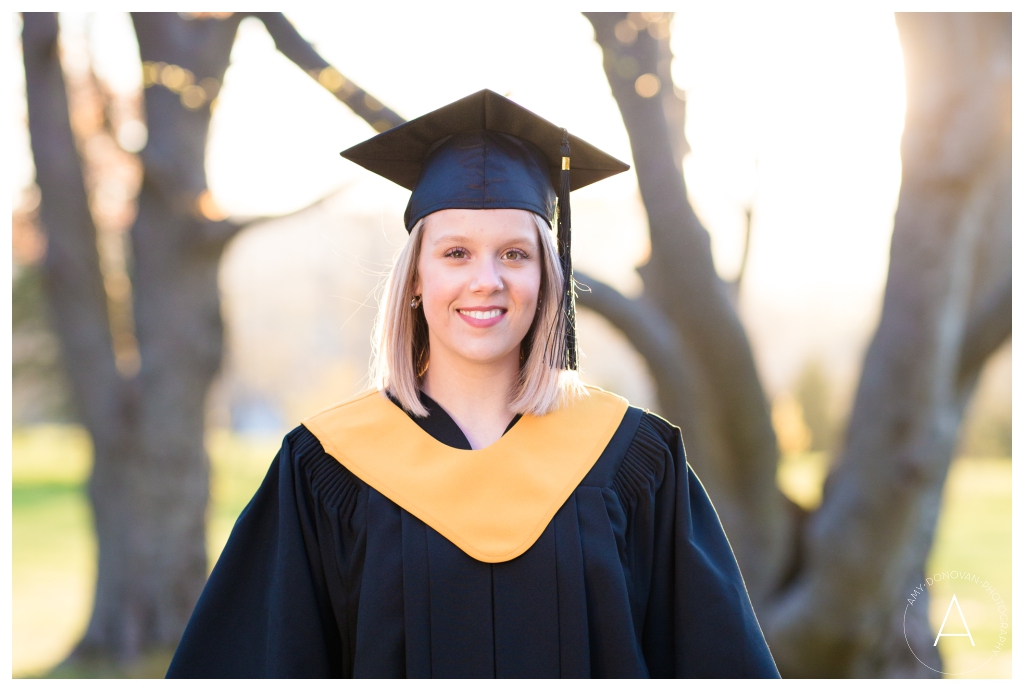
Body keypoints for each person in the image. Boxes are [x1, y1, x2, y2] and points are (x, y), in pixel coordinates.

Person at [166, 90, 779, 679]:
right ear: (413, 278)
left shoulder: (632, 461)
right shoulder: (328, 468)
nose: (486, 280)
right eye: (455, 252)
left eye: (515, 254)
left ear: (548, 276)